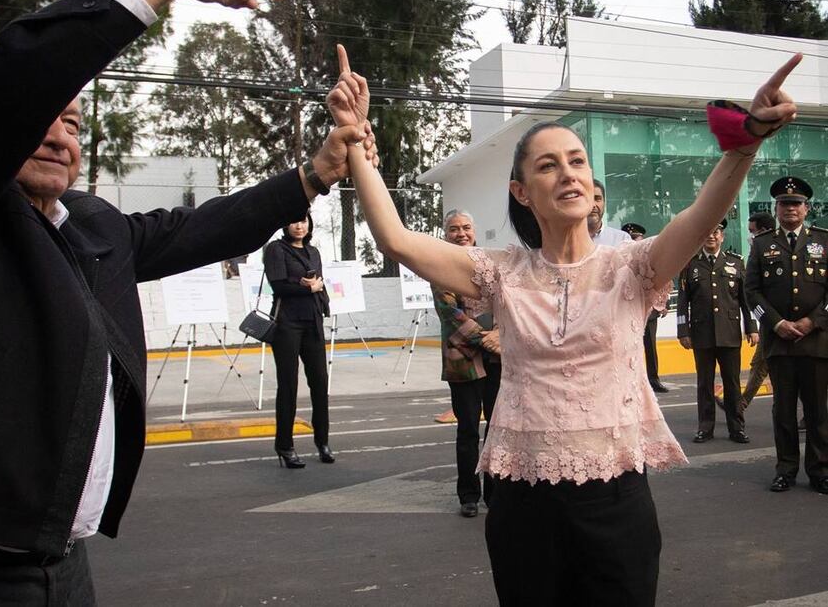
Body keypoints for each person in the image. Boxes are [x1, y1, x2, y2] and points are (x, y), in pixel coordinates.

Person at [0, 0, 379, 605]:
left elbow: (204, 228)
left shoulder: (91, 226)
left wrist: (314, 173)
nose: (60, 136)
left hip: (57, 566)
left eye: (74, 124)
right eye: (44, 115)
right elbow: (12, 85)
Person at [331, 40, 801, 603]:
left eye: (577, 161)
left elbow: (700, 217)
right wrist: (355, 140)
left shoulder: (634, 266)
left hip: (615, 498)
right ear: (521, 192)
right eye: (549, 166)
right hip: (519, 497)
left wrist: (744, 142)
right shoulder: (498, 273)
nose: (569, 174)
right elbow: (397, 240)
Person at [744, 176, 828, 494]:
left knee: (818, 410)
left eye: (795, 203)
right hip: (779, 342)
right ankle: (786, 470)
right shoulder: (763, 244)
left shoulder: (824, 240)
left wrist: (813, 321)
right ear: (776, 209)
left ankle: (820, 471)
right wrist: (775, 323)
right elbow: (751, 291)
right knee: (783, 410)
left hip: (816, 340)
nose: (790, 208)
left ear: (806, 208)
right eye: (784, 203)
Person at [431, 209, 501, 517]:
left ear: (474, 230)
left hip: (497, 359)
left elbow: (504, 302)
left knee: (498, 429)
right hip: (464, 362)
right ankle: (468, 495)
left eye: (466, 227)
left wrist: (500, 333)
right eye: (454, 228)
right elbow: (449, 314)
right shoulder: (439, 268)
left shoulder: (488, 264)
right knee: (468, 430)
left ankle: (496, 494)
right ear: (445, 234)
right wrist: (486, 337)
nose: (461, 233)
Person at [677, 218, 757, 444]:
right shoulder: (690, 265)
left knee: (732, 384)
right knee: (704, 383)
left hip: (729, 333)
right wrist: (683, 330)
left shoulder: (735, 263)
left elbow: (745, 301)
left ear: (722, 236)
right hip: (701, 333)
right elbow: (683, 302)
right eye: (708, 233)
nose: (712, 236)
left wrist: (751, 328)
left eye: (716, 232)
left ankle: (737, 428)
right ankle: (705, 427)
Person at [263, 213, 333, 468]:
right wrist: (306, 287)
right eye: (294, 221)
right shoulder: (275, 249)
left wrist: (319, 291)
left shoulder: (313, 251)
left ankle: (322, 442)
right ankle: (285, 446)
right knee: (288, 385)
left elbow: (320, 285)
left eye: (303, 220)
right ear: (285, 224)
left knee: (320, 383)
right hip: (287, 324)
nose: (299, 225)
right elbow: (278, 286)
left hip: (313, 322)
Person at [624, 223, 670, 394]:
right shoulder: (622, 256)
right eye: (634, 239)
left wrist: (664, 303)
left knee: (650, 346)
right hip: (627, 310)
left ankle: (653, 379)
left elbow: (661, 277)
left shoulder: (647, 256)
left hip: (650, 310)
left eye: (638, 239)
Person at [740, 211, 776, 410]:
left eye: (753, 232)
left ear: (764, 231)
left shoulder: (780, 252)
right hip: (769, 320)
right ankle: (742, 403)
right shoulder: (758, 253)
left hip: (785, 321)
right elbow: (751, 292)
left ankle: (741, 403)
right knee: (761, 364)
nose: (750, 237)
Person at [588, 180, 632, 246]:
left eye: (597, 199)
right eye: (588, 199)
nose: (593, 205)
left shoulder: (622, 239)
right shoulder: (568, 239)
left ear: (604, 203)